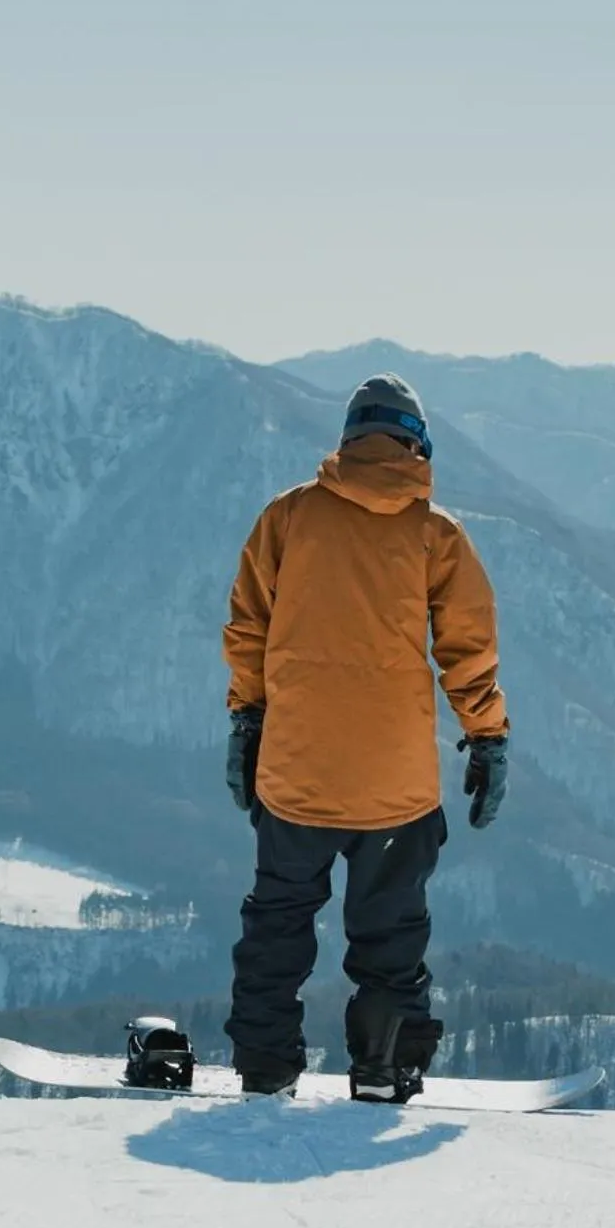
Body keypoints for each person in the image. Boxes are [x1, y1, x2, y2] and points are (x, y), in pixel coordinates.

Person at [221, 373, 510, 1102]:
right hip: (395, 785)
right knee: (390, 936)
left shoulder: (286, 520)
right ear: (418, 446)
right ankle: (384, 1068)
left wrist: (246, 720)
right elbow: (466, 650)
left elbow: (248, 629)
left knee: (278, 923)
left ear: (347, 440)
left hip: (296, 774)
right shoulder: (435, 536)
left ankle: (265, 1066)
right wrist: (487, 738)